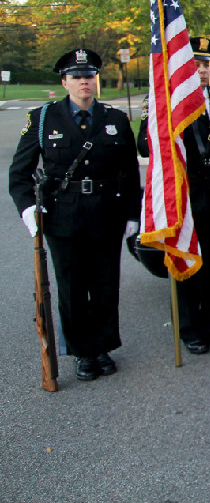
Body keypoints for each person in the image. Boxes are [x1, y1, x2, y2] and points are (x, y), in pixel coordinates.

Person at [9, 49, 140, 381]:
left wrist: (132, 214)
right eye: (77, 77)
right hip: (63, 218)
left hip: (106, 214)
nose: (84, 81)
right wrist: (28, 209)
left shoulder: (115, 119)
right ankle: (83, 352)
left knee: (106, 285)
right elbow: (19, 173)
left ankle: (104, 347)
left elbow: (129, 172)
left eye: (89, 76)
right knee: (71, 287)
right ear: (65, 81)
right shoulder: (42, 119)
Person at [137, 37, 210, 354]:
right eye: (195, 65)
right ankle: (190, 330)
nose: (200, 71)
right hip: (186, 198)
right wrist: (160, 120)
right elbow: (145, 147)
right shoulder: (168, 103)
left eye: (205, 66)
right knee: (187, 263)